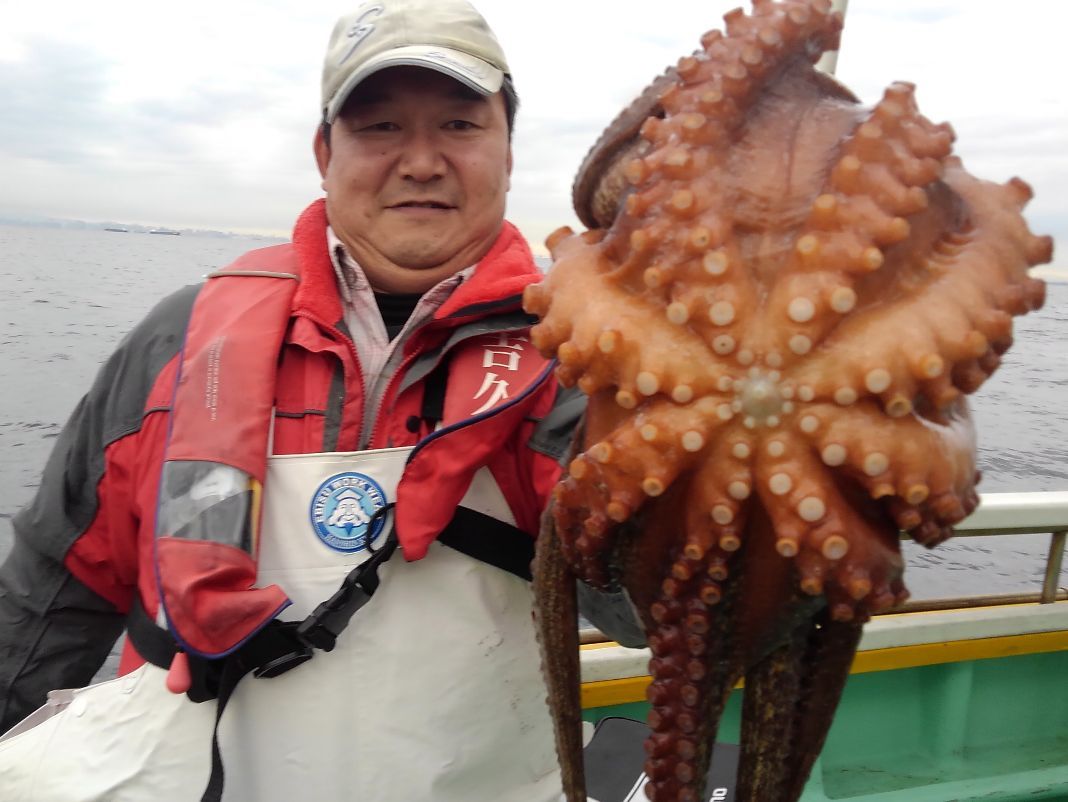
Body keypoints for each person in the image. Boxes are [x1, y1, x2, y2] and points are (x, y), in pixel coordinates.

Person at [0, 1, 640, 799]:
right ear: (324, 153)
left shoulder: (580, 363)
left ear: (508, 153)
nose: (421, 162)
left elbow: (646, 614)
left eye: (459, 125)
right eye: (379, 127)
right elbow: (55, 591)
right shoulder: (180, 338)